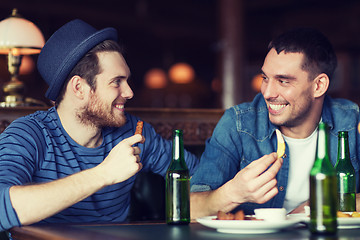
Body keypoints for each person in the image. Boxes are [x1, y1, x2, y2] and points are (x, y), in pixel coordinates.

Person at [0, 19, 199, 232]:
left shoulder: (132, 131)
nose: (130, 92)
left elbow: (198, 173)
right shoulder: (29, 135)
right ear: (79, 88)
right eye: (116, 81)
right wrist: (103, 174)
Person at [190, 27, 360, 219]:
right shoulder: (238, 123)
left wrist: (318, 203)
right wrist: (231, 193)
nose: (268, 93)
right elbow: (189, 207)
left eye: (283, 81)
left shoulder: (352, 122)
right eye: (265, 78)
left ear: (319, 86)